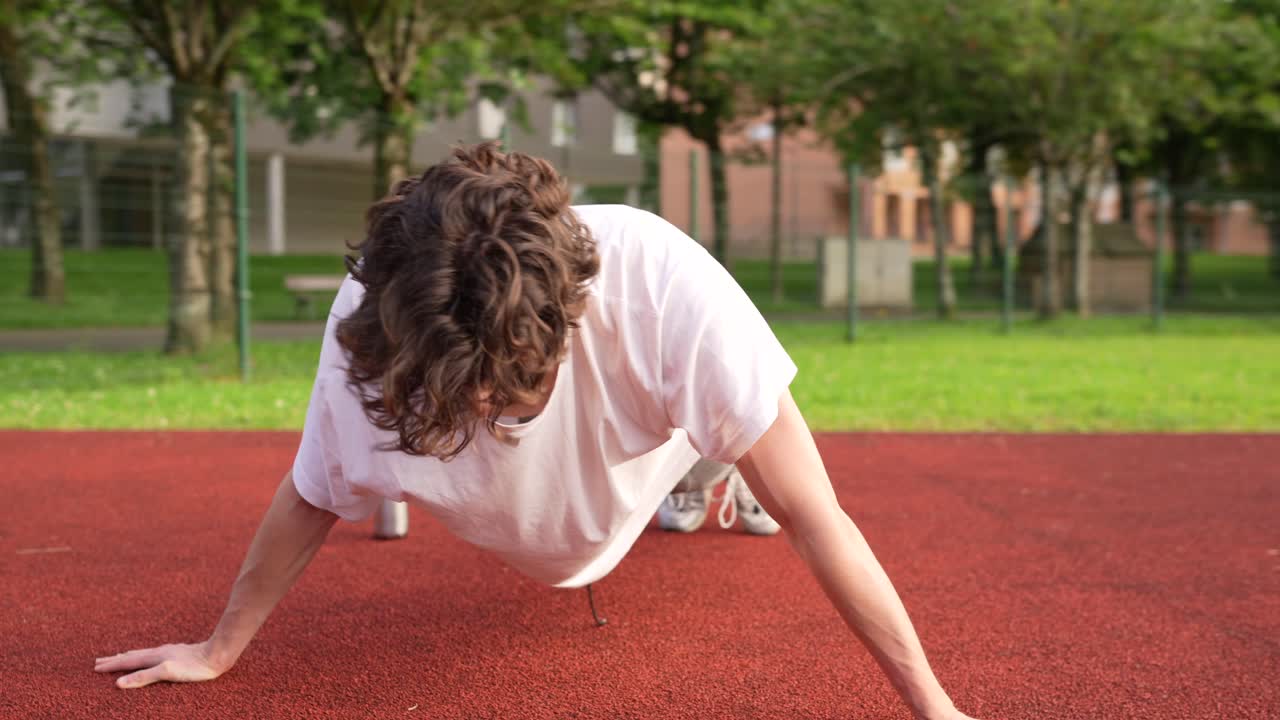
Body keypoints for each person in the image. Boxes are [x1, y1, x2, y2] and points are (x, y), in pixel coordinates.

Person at [93, 143, 978, 720]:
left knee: (733, 431)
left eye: (502, 385)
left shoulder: (665, 286)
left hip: (650, 438)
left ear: (568, 320)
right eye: (459, 390)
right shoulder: (377, 321)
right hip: (543, 489)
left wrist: (933, 707)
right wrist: (217, 650)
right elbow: (313, 492)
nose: (482, 407)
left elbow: (817, 517)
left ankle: (711, 466)